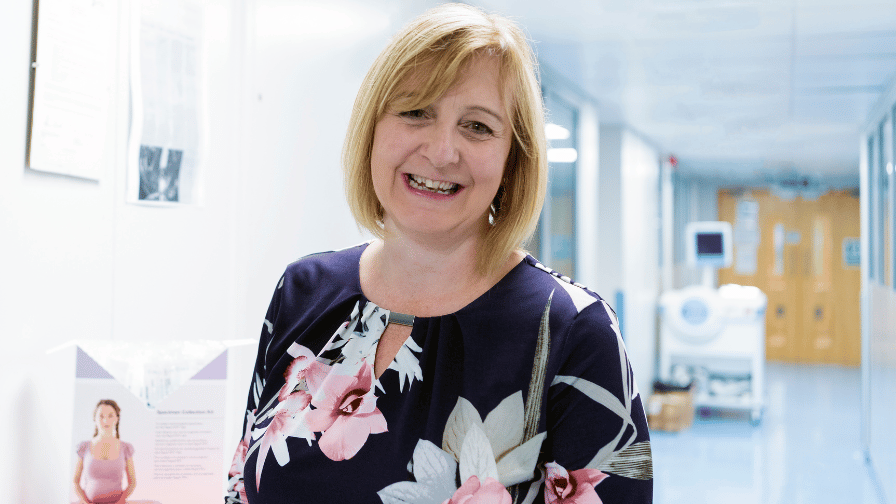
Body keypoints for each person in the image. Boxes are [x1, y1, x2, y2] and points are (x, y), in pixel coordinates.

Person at [226, 4, 652, 503]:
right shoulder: (302, 291)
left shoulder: (573, 332)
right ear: (372, 128)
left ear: (513, 158)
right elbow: (242, 485)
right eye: (415, 112)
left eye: (477, 127)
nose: (442, 150)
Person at [73, 399, 137, 504]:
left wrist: (120, 501)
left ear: (117, 418)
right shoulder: (84, 447)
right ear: (95, 419)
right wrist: (84, 502)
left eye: (110, 416)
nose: (106, 421)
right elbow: (75, 481)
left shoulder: (125, 448)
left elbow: (132, 482)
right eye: (101, 416)